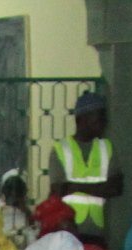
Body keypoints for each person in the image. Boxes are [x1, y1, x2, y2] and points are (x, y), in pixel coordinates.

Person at [51, 90, 122, 236]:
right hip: (67, 230)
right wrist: (99, 187)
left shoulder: (107, 147)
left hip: (98, 232)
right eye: (99, 118)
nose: (104, 123)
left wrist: (74, 186)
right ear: (82, 119)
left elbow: (115, 188)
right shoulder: (61, 149)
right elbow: (58, 190)